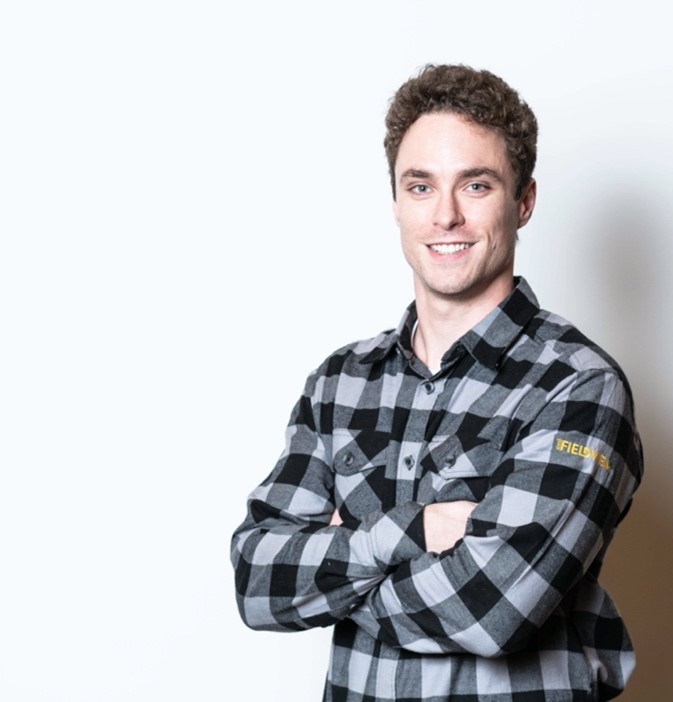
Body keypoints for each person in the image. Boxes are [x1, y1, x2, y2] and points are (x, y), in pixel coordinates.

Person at [230, 64, 643, 701]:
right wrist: (416, 531)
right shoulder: (341, 383)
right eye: (420, 186)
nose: (445, 215)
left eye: (475, 186)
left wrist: (338, 555)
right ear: (396, 202)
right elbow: (258, 581)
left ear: (523, 200)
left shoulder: (578, 387)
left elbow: (492, 609)